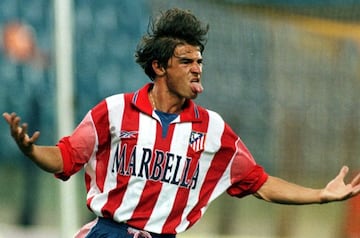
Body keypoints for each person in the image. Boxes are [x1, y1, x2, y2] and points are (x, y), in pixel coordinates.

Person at [3, 8, 360, 238]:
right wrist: (31, 149)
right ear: (159, 67)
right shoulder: (114, 111)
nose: (197, 67)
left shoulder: (213, 130)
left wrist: (321, 195)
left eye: (199, 60)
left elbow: (260, 183)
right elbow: (66, 158)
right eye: (186, 60)